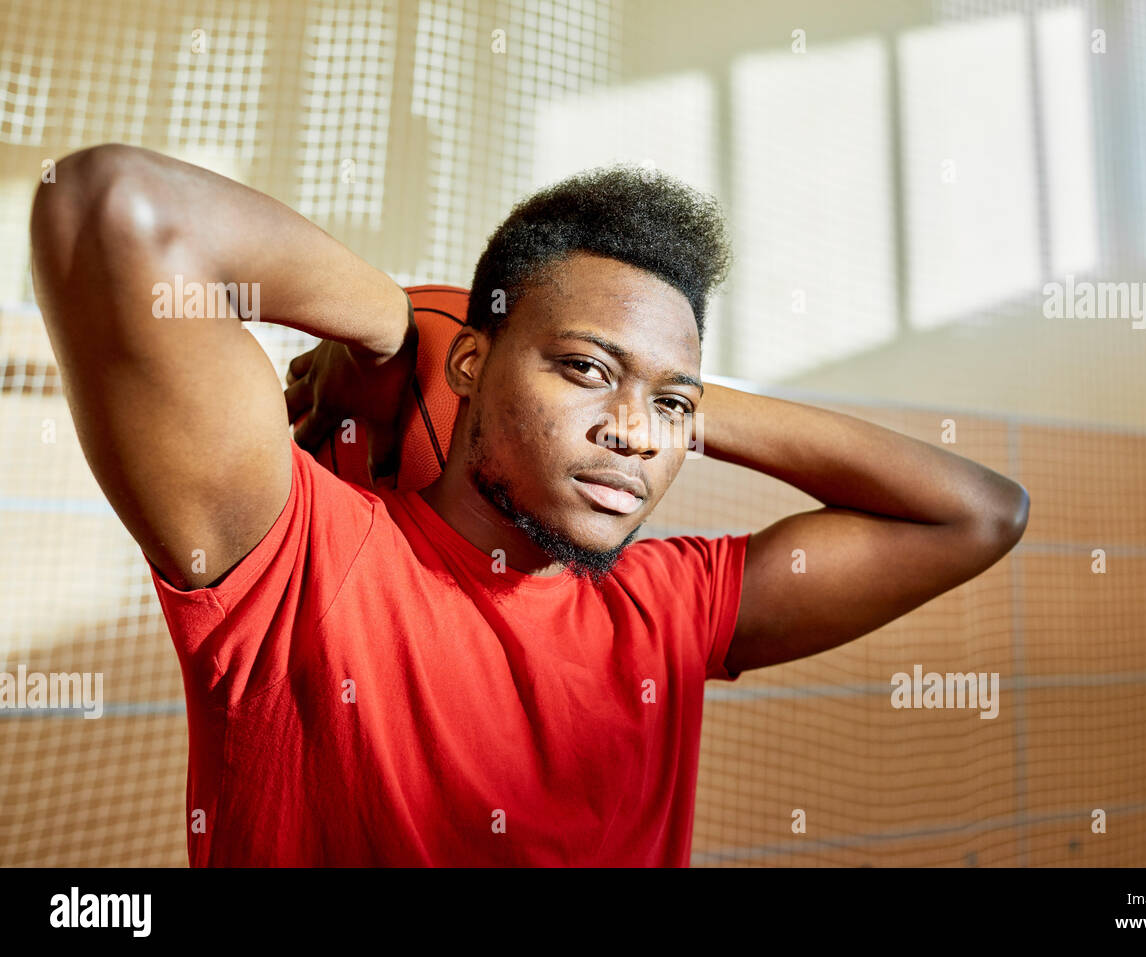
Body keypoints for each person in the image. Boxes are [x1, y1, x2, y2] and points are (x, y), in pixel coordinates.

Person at [29, 144, 1029, 866]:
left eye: (671, 405)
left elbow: (981, 513)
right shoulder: (300, 559)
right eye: (583, 370)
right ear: (471, 361)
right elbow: (110, 206)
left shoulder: (671, 607)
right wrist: (399, 321)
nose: (636, 434)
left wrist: (655, 392)